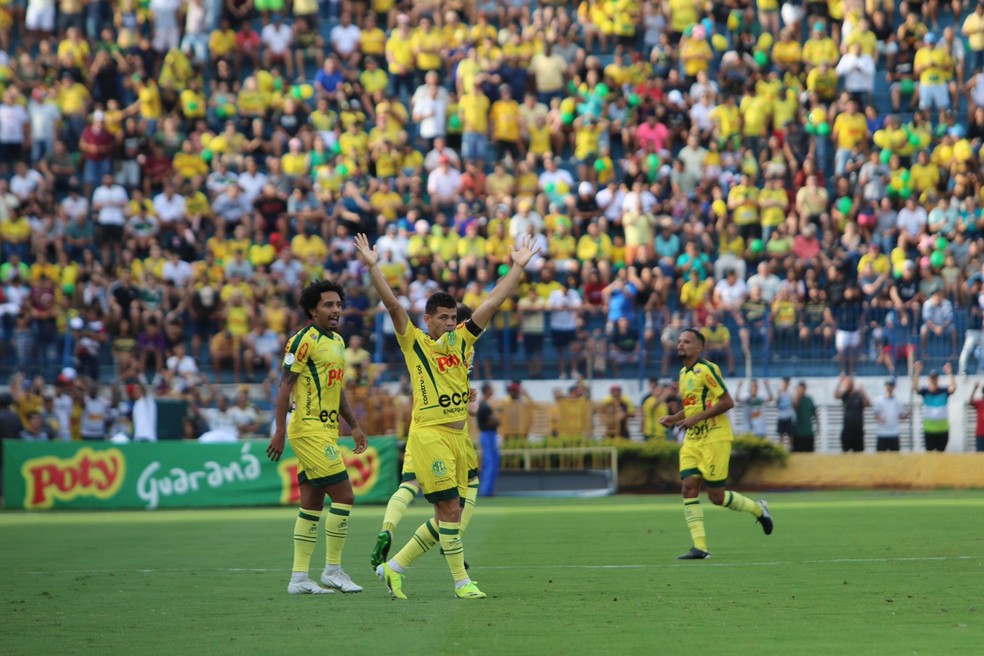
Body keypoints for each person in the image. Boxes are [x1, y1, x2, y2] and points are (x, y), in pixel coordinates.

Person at [355, 232, 538, 599]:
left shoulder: (464, 340)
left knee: (449, 515)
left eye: (454, 317)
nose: (451, 323)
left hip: (459, 436)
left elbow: (493, 301)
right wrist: (374, 267)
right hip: (430, 435)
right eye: (443, 318)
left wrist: (517, 267)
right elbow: (392, 304)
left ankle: (394, 568)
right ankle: (460, 582)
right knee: (450, 509)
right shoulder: (415, 342)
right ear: (428, 320)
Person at [266, 279, 368, 596]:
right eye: (328, 304)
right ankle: (333, 571)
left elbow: (336, 391)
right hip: (307, 428)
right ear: (313, 309)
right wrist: (280, 431)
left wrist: (353, 424)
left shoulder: (337, 342)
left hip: (326, 429)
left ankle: (299, 579)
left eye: (338, 304)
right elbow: (284, 387)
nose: (336, 310)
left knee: (311, 504)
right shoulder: (302, 341)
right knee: (345, 496)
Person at [659, 329, 773, 560]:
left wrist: (695, 418)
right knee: (688, 487)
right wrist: (675, 418)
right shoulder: (683, 373)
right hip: (693, 439)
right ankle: (700, 547)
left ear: (699, 348)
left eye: (687, 341)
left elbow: (727, 401)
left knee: (716, 497)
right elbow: (694, 406)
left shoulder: (707, 369)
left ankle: (758, 509)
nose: (680, 344)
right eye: (679, 341)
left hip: (714, 437)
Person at [911, 361, 956, 452]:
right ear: (928, 379)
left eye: (935, 378)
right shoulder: (925, 392)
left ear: (937, 379)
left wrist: (949, 373)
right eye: (932, 378)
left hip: (942, 430)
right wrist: (917, 372)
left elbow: (953, 388)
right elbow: (915, 387)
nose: (933, 380)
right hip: (929, 430)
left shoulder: (943, 391)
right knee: (929, 455)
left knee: (941, 455)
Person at [835, 375, 870, 452]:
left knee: (859, 453)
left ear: (852, 384)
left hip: (858, 430)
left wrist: (864, 393)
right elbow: (836, 396)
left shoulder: (859, 395)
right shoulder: (845, 395)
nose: (845, 385)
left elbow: (868, 404)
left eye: (847, 383)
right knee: (845, 452)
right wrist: (839, 382)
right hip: (847, 429)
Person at [476, 384, 500, 497]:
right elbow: (493, 421)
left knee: (491, 462)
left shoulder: (483, 404)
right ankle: (486, 490)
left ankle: (488, 490)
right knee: (490, 462)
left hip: (487, 435)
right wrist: (496, 420)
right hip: (487, 434)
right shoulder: (484, 405)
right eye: (491, 388)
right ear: (487, 390)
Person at [872, 379, 908, 451]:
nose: (889, 388)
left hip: (894, 433)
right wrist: (880, 418)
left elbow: (901, 416)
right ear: (885, 387)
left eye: (891, 386)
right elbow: (875, 415)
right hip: (882, 433)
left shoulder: (898, 401)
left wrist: (906, 415)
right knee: (880, 458)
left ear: (894, 387)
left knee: (895, 458)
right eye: (887, 386)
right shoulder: (878, 400)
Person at [791, 381, 817, 452]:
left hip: (808, 432)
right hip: (798, 433)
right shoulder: (795, 399)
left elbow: (814, 412)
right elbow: (795, 406)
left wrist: (818, 425)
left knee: (809, 452)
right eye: (799, 388)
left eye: (802, 388)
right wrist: (797, 395)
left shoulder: (809, 399)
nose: (801, 390)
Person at [775, 377, 795, 450]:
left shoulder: (790, 393)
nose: (785, 384)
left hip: (788, 416)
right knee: (781, 435)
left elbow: (793, 404)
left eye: (786, 383)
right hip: (781, 417)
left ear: (788, 384)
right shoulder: (779, 392)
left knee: (790, 434)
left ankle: (791, 448)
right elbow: (776, 403)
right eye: (783, 383)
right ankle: (780, 449)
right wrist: (779, 395)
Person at [969, 382, 984, 452]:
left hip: (980, 433)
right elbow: (971, 402)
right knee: (980, 455)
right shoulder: (979, 402)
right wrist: (974, 389)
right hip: (980, 434)